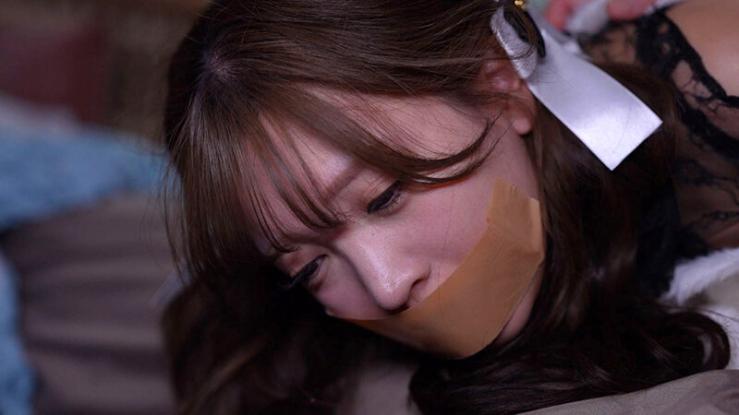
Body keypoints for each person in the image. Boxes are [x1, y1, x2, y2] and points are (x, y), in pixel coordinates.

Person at [160, 0, 738, 414]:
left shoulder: (711, 81)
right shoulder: (288, 340)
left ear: (500, 85)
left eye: (385, 196)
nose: (387, 288)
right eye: (307, 268)